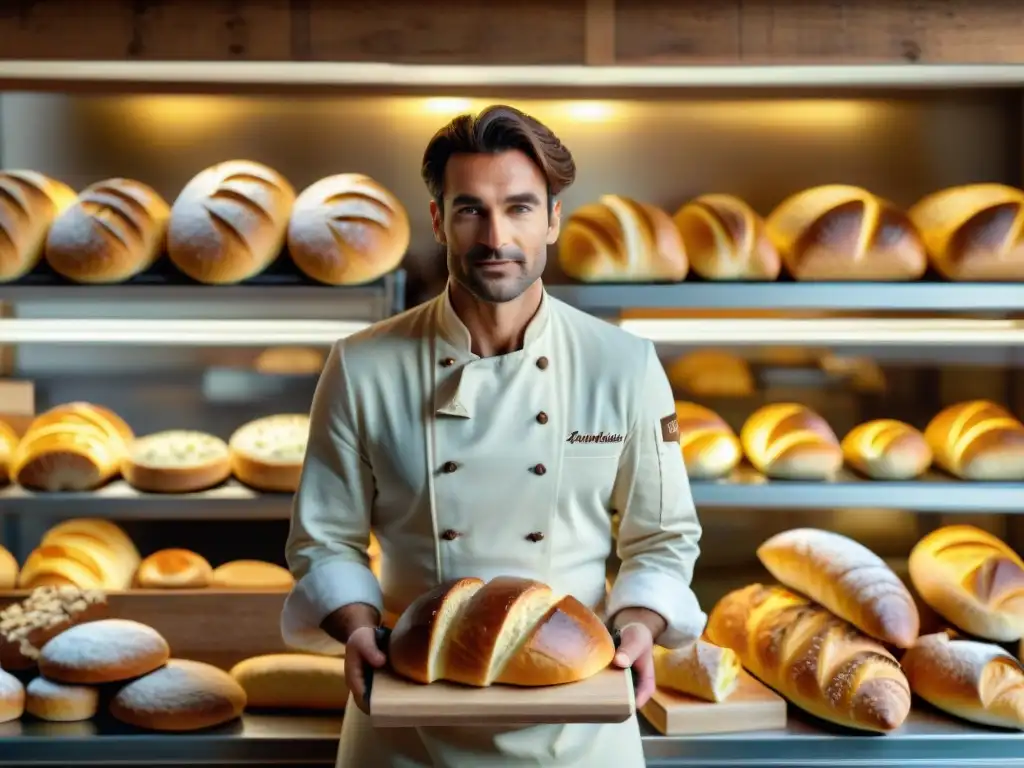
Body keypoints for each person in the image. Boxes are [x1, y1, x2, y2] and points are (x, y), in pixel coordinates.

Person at [281, 104, 706, 767]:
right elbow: (324, 539)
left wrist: (639, 626)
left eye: (520, 208)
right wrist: (357, 627)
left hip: (579, 725)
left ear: (554, 220)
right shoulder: (361, 364)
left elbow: (663, 536)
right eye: (471, 208)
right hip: (405, 722)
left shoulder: (624, 364)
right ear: (437, 219)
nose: (495, 236)